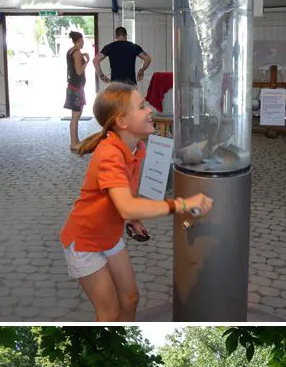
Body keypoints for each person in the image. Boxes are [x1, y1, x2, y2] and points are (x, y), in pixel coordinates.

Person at [59, 83, 212, 321]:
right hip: (84, 242)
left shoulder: (136, 148)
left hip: (109, 236)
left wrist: (132, 218)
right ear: (121, 122)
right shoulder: (110, 153)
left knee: (130, 298)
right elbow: (126, 205)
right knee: (108, 312)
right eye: (142, 106)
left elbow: (125, 199)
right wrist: (181, 204)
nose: (150, 109)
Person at [65, 31, 89, 151]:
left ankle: (75, 140)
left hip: (72, 86)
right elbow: (79, 72)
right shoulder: (77, 53)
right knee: (76, 116)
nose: (83, 42)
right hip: (76, 88)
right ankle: (73, 143)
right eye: (82, 40)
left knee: (75, 115)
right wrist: (87, 61)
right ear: (78, 40)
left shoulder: (70, 51)